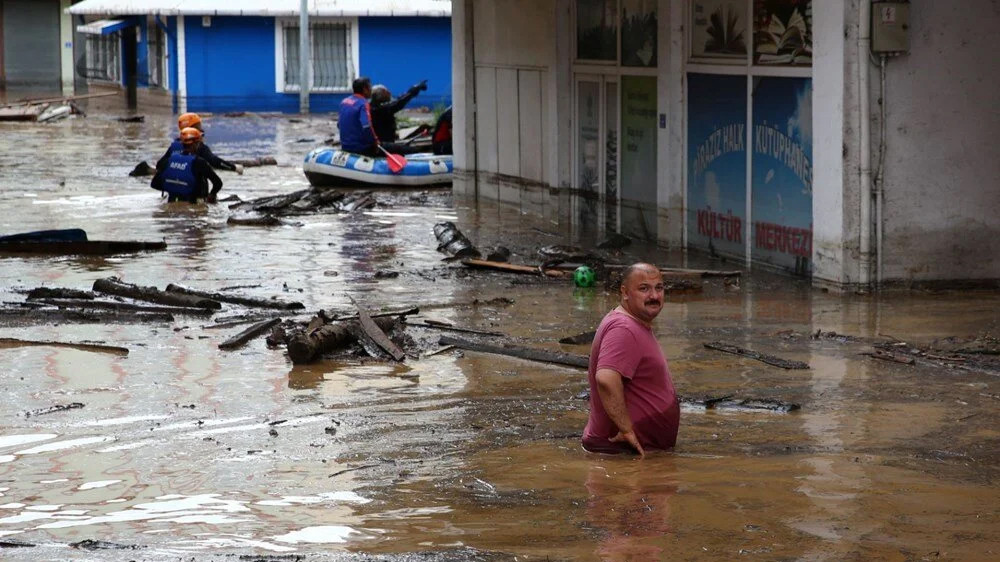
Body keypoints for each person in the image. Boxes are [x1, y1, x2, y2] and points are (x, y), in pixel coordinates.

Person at [582, 263, 680, 456]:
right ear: (625, 292)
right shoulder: (624, 329)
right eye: (644, 289)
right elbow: (606, 379)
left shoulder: (633, 324)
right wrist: (626, 430)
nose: (654, 296)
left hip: (633, 454)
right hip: (619, 453)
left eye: (658, 288)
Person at [151, 127, 223, 204]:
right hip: (194, 205)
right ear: (196, 144)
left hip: (171, 201)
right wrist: (212, 195)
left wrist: (174, 187)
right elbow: (218, 183)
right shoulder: (199, 162)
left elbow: (154, 183)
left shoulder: (169, 159)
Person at [158, 112, 244, 175]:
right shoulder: (199, 146)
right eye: (197, 126)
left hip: (173, 190)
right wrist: (234, 168)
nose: (201, 129)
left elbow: (160, 165)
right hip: (194, 192)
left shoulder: (174, 146)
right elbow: (215, 161)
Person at [370, 79, 428, 154]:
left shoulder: (373, 106)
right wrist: (413, 90)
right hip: (382, 145)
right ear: (382, 94)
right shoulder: (380, 109)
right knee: (414, 151)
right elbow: (399, 102)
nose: (390, 93)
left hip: (385, 142)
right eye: (387, 92)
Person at [337, 77, 380, 157]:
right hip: (361, 148)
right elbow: (367, 126)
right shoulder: (363, 104)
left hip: (345, 146)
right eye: (370, 88)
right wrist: (375, 141)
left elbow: (339, 125)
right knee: (394, 148)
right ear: (365, 89)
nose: (371, 91)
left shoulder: (344, 101)